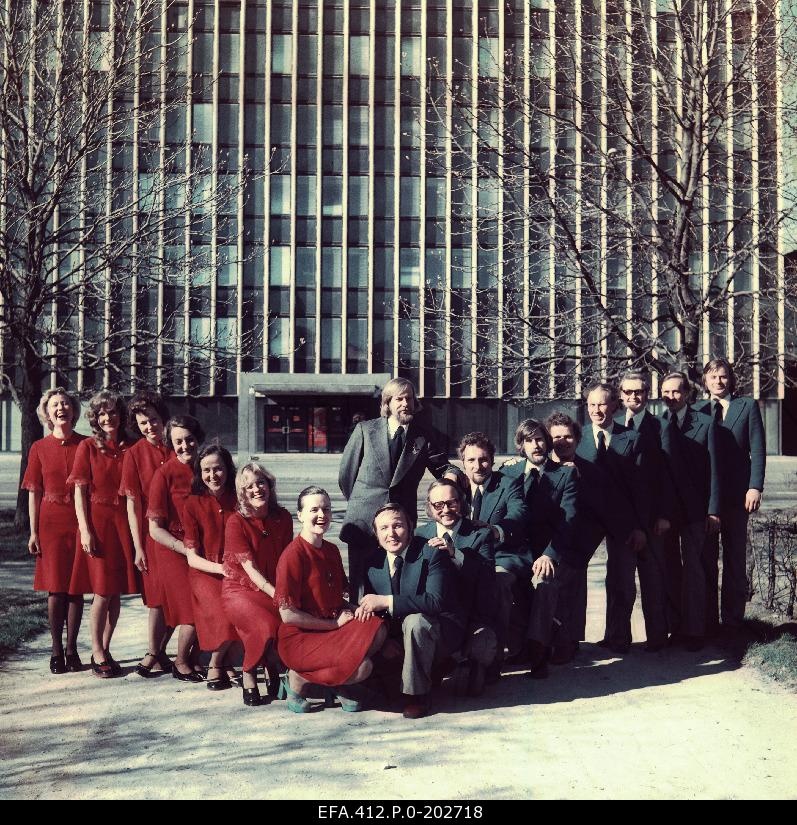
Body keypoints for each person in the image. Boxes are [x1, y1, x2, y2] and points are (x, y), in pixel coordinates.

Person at [339, 377, 454, 598]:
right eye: (399, 399)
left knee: (396, 578)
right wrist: (360, 503)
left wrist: (452, 477)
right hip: (362, 521)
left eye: (409, 398)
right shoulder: (365, 430)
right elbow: (346, 476)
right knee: (360, 584)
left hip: (401, 523)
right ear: (387, 403)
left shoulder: (422, 437)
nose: (405, 404)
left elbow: (444, 468)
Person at [277, 486, 386, 713]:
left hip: (332, 629)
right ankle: (297, 680)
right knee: (363, 667)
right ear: (300, 515)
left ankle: (336, 684)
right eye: (314, 509)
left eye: (326, 509)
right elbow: (287, 615)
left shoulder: (331, 550)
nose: (321, 515)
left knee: (378, 628)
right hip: (301, 637)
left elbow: (338, 597)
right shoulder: (293, 555)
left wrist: (358, 609)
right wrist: (333, 624)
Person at [545, 412, 634, 663]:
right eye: (557, 437)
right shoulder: (545, 467)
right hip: (548, 537)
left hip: (580, 538)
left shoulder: (591, 471)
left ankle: (568, 640)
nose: (562, 442)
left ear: (577, 439)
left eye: (568, 437)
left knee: (572, 579)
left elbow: (605, 506)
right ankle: (543, 639)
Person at [358, 503, 459, 719]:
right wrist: (383, 641)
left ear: (410, 527)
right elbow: (366, 608)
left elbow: (435, 602)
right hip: (395, 639)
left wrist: (386, 601)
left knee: (416, 621)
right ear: (376, 534)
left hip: (435, 633)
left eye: (398, 526)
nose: (391, 534)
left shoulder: (431, 554)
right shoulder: (371, 563)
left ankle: (417, 695)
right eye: (383, 528)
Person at [68, 390, 138, 677]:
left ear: (121, 415)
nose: (108, 417)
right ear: (95, 418)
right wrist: (85, 530)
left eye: (112, 411)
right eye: (101, 413)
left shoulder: (131, 447)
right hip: (97, 523)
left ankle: (106, 648)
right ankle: (96, 651)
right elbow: (79, 490)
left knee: (115, 592)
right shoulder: (87, 447)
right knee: (101, 591)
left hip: (123, 524)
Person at [501, 419, 578, 677]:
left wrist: (549, 554)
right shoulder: (508, 473)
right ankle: (517, 646)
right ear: (520, 446)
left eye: (540, 439)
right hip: (515, 553)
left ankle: (538, 650)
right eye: (529, 440)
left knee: (543, 583)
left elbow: (568, 521)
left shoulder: (565, 474)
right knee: (501, 582)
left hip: (548, 552)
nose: (536, 445)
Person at [575, 382, 649, 654]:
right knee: (573, 574)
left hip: (623, 520)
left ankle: (618, 636)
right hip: (587, 519)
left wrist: (639, 526)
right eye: (592, 404)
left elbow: (641, 488)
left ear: (615, 405)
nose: (597, 410)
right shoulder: (577, 437)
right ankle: (570, 638)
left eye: (603, 404)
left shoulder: (631, 438)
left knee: (622, 580)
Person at [695, 358, 766, 634]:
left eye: (723, 377)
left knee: (735, 558)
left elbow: (758, 449)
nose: (718, 382)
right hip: (706, 500)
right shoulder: (698, 410)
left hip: (737, 497)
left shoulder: (746, 406)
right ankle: (708, 621)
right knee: (706, 560)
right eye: (713, 377)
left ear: (730, 379)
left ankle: (733, 621)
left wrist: (755, 486)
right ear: (705, 380)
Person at [22, 388, 87, 674]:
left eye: (65, 404)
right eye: (55, 405)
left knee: (77, 587)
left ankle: (73, 649)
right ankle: (56, 649)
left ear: (73, 411)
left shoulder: (87, 445)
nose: (61, 408)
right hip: (50, 522)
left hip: (81, 521)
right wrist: (33, 532)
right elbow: (33, 492)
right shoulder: (38, 447)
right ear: (47, 414)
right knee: (56, 587)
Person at [448, 431, 527, 667]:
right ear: (463, 463)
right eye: (471, 460)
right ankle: (452, 653)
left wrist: (494, 530)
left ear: (492, 460)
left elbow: (518, 514)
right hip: (464, 555)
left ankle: (494, 657)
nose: (478, 466)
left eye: (483, 459)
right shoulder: (455, 487)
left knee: (497, 583)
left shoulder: (508, 484)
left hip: (502, 555)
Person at [414, 480, 497, 696]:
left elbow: (487, 577)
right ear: (429, 507)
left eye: (451, 503)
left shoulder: (480, 533)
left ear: (462, 502)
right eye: (438, 505)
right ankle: (443, 662)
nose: (446, 510)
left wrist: (455, 554)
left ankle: (473, 662)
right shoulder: (419, 535)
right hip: (437, 611)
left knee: (475, 677)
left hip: (471, 612)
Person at [221, 462, 293, 706]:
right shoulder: (236, 522)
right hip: (240, 589)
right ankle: (249, 671)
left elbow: (286, 559)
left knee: (286, 623)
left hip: (272, 586)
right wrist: (278, 595)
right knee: (265, 624)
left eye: (260, 482)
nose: (256, 489)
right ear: (242, 493)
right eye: (249, 486)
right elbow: (250, 570)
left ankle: (272, 665)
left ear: (269, 485)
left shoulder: (282, 517)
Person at [659, 371, 722, 651]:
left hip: (696, 509)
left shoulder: (706, 424)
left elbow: (715, 471)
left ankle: (696, 630)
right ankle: (676, 627)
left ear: (687, 394)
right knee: (671, 568)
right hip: (667, 511)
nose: (671, 397)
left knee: (694, 570)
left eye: (676, 392)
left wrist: (713, 510)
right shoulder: (657, 423)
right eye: (666, 392)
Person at [613, 370, 674, 652]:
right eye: (628, 392)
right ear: (621, 395)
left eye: (639, 392)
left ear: (647, 395)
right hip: (623, 519)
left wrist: (664, 514)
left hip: (652, 518)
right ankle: (619, 638)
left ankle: (658, 637)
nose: (633, 397)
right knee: (621, 581)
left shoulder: (660, 427)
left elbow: (667, 475)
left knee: (653, 580)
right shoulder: (613, 425)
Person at [147, 414, 205, 682]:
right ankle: (181, 661)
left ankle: (191, 656)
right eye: (178, 442)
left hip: (203, 548)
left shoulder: (206, 468)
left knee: (208, 602)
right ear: (171, 443)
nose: (185, 446)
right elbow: (155, 528)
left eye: (189, 440)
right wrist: (184, 549)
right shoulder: (164, 474)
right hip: (173, 548)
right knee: (191, 607)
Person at [120, 390, 173, 677]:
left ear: (162, 417)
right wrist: (138, 547)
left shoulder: (177, 444)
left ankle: (161, 651)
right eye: (143, 423)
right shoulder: (134, 455)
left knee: (177, 596)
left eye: (153, 420)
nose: (150, 427)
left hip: (179, 532)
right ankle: (152, 653)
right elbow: (133, 503)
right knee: (156, 598)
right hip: (151, 534)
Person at [183, 445, 241, 691]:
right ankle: (217, 665)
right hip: (205, 572)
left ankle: (220, 660)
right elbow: (191, 558)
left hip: (238, 570)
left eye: (218, 468)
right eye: (206, 470)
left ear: (228, 469)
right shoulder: (192, 504)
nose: (213, 475)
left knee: (242, 607)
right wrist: (221, 569)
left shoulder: (239, 498)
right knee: (222, 609)